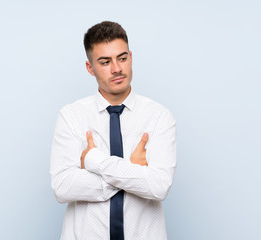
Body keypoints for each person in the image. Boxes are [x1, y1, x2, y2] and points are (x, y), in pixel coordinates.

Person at [50, 21, 177, 240]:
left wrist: (94, 160)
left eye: (122, 58)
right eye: (105, 61)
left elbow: (158, 186)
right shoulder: (71, 116)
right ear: (90, 68)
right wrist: (131, 171)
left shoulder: (159, 116)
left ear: (131, 57)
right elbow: (62, 187)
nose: (117, 68)